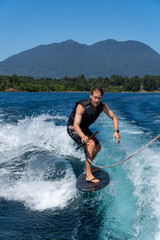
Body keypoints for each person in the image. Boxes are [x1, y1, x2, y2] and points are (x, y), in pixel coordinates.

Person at [67, 86, 121, 183]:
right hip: (73, 128)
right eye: (95, 97)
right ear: (91, 96)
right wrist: (83, 136)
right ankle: (88, 175)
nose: (97, 100)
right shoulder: (82, 107)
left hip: (84, 128)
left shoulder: (102, 106)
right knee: (90, 145)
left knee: (98, 147)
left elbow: (114, 117)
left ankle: (86, 168)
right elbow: (75, 125)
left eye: (99, 98)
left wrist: (116, 131)